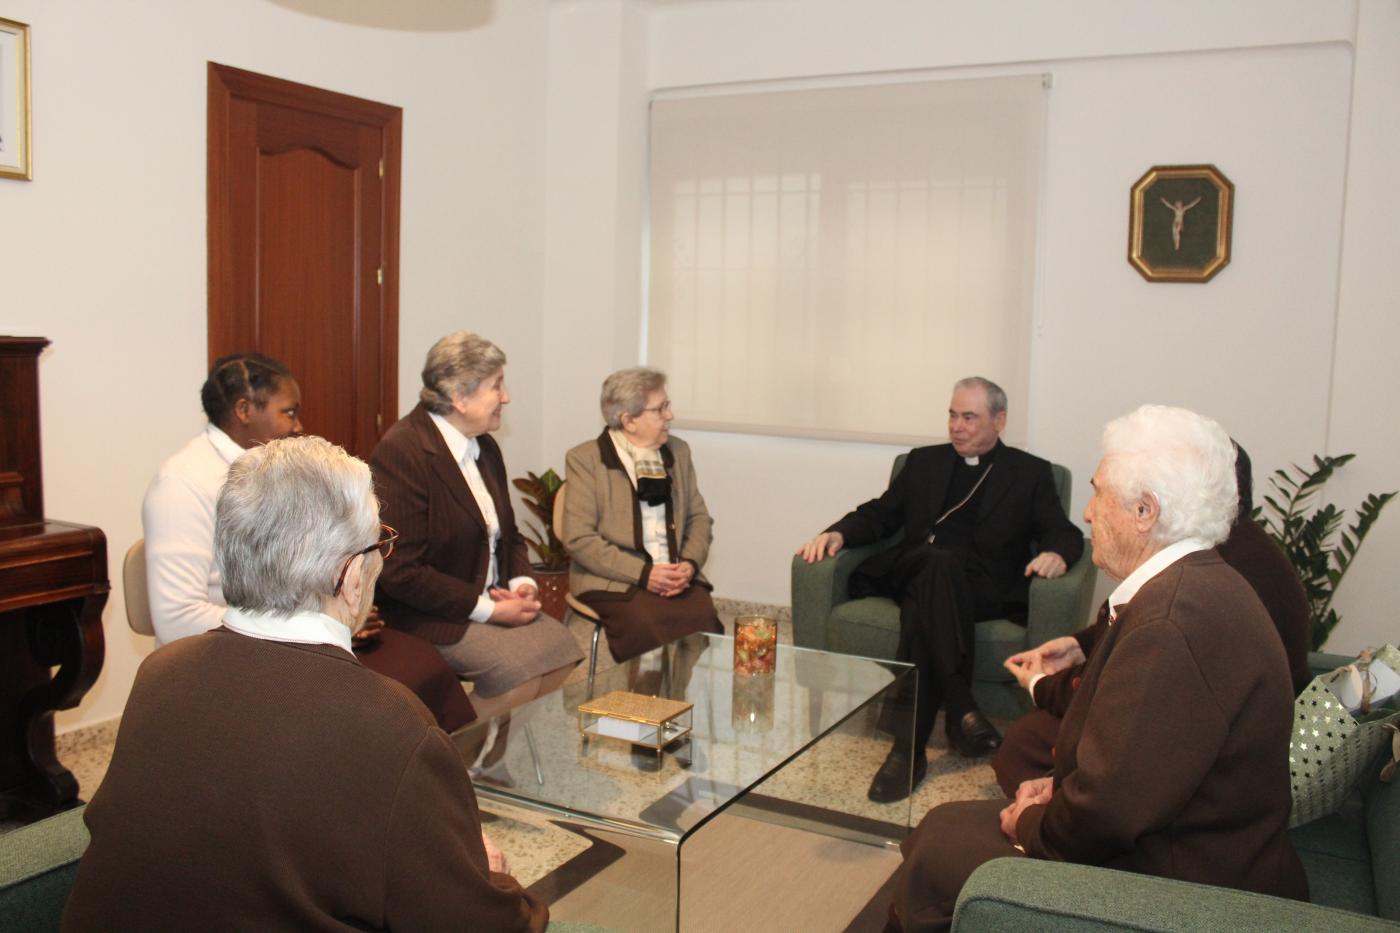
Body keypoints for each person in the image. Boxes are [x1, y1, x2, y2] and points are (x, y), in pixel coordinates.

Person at [63, 436, 547, 931]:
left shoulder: (161, 672)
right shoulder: (390, 724)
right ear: (350, 574)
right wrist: (490, 876)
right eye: (380, 544)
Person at [887, 405, 1307, 932]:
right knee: (941, 829)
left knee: (939, 846)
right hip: (1184, 841)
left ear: (1144, 512)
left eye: (1098, 492)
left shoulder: (1172, 623)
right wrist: (1057, 785)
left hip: (1181, 881)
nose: (1087, 513)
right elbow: (1134, 770)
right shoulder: (1198, 584)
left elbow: (1107, 815)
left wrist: (1035, 821)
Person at [141, 352, 475, 732]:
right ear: (244, 409)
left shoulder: (274, 471)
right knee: (383, 700)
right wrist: (313, 623)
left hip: (296, 633)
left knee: (421, 664)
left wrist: (340, 612)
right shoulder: (182, 484)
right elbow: (175, 619)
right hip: (230, 654)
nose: (299, 425)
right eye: (289, 412)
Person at [797, 377, 1082, 802]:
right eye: (952, 414)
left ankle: (908, 748)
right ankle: (959, 704)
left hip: (980, 589)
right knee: (936, 561)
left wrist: (1057, 552)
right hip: (912, 568)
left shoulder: (1030, 474)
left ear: (999, 420)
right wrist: (840, 532)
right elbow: (882, 514)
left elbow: (1064, 531)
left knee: (926, 599)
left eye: (969, 417)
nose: (957, 426)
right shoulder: (923, 462)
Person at [993, 441, 1312, 795]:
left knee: (1025, 743)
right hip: (1228, 725)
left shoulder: (1199, 574)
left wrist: (1041, 684)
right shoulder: (1238, 546)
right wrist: (1080, 644)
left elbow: (1125, 686)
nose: (1088, 513)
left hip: (1215, 753)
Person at [369, 331, 582, 720]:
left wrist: (522, 584)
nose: (507, 397)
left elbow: (508, 535)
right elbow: (400, 571)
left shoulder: (483, 444)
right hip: (430, 614)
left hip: (488, 598)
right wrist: (486, 610)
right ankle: (453, 760)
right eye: (496, 385)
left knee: (561, 650)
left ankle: (498, 760)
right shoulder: (403, 451)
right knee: (518, 672)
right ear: (459, 397)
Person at [561, 367, 722, 661]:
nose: (669, 416)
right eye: (660, 409)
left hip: (674, 574)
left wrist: (687, 563)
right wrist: (645, 574)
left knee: (703, 620)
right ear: (629, 421)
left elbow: (699, 518)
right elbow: (580, 539)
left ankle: (676, 699)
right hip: (613, 579)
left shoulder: (678, 452)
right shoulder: (586, 460)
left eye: (667, 405)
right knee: (651, 626)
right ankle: (647, 701)